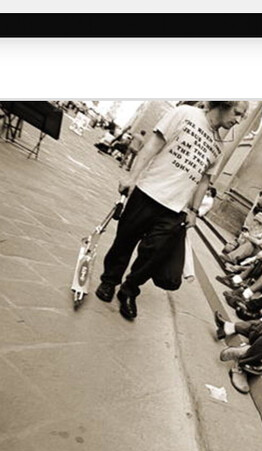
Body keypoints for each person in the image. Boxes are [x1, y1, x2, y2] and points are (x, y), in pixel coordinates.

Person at [94, 101, 249, 320]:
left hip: (175, 209)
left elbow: (204, 181)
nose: (238, 120)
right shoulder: (184, 113)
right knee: (124, 241)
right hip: (148, 191)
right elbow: (152, 146)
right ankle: (109, 281)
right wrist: (131, 176)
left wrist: (194, 211)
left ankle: (129, 290)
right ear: (225, 103)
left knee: (153, 255)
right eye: (237, 113)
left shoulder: (219, 148)